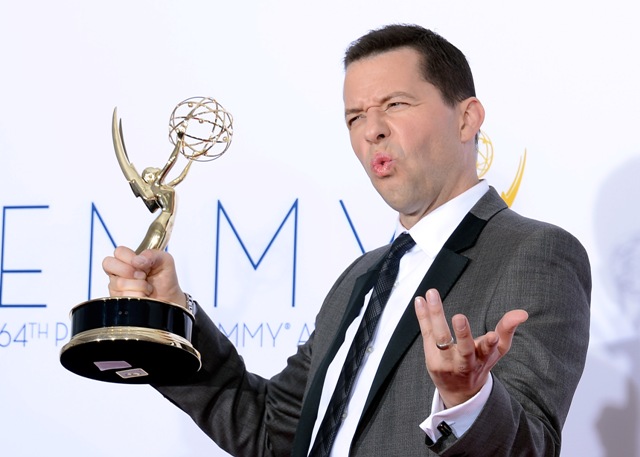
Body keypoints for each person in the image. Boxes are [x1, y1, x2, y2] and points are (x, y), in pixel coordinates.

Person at [103, 24, 591, 456]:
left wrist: (467, 401)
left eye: (395, 105)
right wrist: (170, 318)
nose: (372, 130)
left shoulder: (535, 253)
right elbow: (272, 433)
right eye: (355, 116)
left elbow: (532, 446)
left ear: (466, 119)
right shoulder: (361, 277)